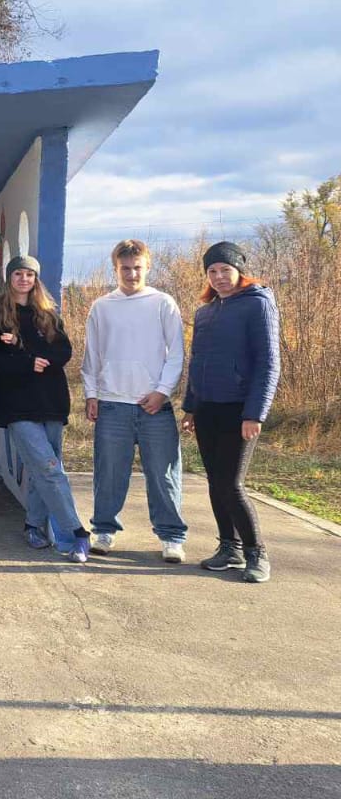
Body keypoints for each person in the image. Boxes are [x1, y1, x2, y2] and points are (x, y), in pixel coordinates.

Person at [81, 239, 188, 562]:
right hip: (112, 404)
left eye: (137, 268)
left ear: (147, 267)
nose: (131, 274)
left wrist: (162, 391)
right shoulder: (102, 306)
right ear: (115, 268)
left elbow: (177, 354)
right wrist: (91, 394)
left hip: (154, 405)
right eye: (125, 268)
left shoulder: (163, 303)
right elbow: (91, 356)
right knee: (109, 474)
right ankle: (104, 530)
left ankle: (171, 537)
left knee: (163, 475)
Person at [0, 256, 90, 562]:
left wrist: (23, 349)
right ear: (9, 278)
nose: (24, 279)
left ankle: (33, 525)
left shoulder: (49, 316)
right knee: (49, 468)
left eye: (29, 274)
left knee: (44, 469)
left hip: (51, 402)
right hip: (16, 406)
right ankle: (76, 534)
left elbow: (63, 352)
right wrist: (26, 361)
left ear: (36, 279)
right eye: (18, 273)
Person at [181, 242, 280, 583]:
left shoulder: (258, 304)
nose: (219, 276)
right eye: (212, 271)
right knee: (215, 481)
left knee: (231, 483)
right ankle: (229, 547)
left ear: (239, 270)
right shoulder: (205, 312)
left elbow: (268, 363)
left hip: (240, 410)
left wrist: (255, 413)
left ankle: (256, 553)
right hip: (207, 408)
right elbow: (197, 362)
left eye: (226, 269)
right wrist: (190, 407)